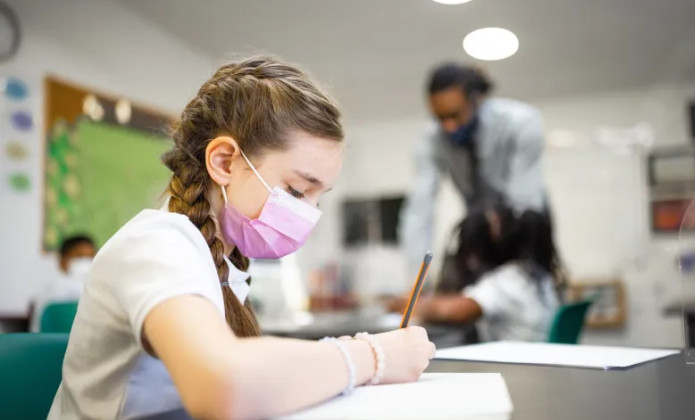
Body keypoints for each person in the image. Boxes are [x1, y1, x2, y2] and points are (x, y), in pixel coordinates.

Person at [48, 57, 435, 420]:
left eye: (320, 197)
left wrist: (336, 364)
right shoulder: (157, 243)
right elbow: (222, 384)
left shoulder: (224, 262)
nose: (309, 214)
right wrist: (372, 355)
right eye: (298, 190)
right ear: (224, 162)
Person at [400, 62, 547, 269]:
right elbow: (420, 210)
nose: (448, 126)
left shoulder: (520, 123)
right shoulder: (431, 138)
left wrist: (522, 265)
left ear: (476, 99)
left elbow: (525, 200)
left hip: (522, 220)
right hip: (477, 227)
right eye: (440, 118)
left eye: (454, 115)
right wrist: (417, 280)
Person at [395, 200, 565, 343]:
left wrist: (403, 303)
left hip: (517, 369)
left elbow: (451, 310)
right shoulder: (542, 278)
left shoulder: (507, 283)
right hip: (538, 359)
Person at [29, 234, 96, 332]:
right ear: (62, 261)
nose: (85, 262)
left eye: (90, 257)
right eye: (79, 257)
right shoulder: (52, 290)